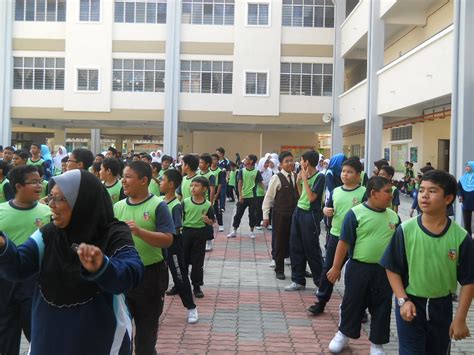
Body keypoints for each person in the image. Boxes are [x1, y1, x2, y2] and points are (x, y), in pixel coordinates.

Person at [0, 169, 144, 355]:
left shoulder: (112, 233)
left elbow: (132, 273)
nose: (51, 205)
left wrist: (103, 267)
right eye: (50, 197)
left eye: (60, 199)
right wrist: (3, 245)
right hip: (48, 337)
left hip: (99, 339)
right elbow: (18, 267)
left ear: (82, 202)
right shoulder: (49, 234)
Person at [381, 170, 474, 355]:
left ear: (448, 199)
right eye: (421, 189)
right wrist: (403, 300)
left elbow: (469, 281)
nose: (424, 195)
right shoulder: (405, 230)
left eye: (432, 191)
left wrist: (461, 318)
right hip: (411, 304)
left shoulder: (461, 237)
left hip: (442, 306)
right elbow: (392, 269)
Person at [327, 176, 400, 354]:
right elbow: (343, 243)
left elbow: (399, 247)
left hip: (384, 271)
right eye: (387, 192)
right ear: (373, 193)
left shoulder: (394, 217)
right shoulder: (355, 214)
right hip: (358, 268)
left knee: (382, 307)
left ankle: (377, 343)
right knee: (352, 303)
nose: (391, 195)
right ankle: (343, 334)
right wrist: (336, 267)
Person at [113, 161, 174, 355]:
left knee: (146, 335)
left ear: (144, 180)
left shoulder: (158, 205)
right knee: (121, 331)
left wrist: (138, 231)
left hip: (150, 276)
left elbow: (167, 240)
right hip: (123, 275)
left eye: (128, 176)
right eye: (123, 176)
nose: (123, 180)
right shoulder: (118, 207)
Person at [0, 165, 52, 355]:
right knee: (5, 334)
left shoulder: (48, 213)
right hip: (4, 281)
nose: (39, 186)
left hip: (35, 281)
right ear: (18, 186)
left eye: (40, 181)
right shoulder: (1, 211)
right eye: (34, 182)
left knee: (37, 333)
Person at [308, 157, 366, 315]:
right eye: (343, 171)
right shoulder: (336, 192)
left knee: (356, 275)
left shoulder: (364, 193)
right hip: (336, 236)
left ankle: (359, 310)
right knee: (329, 270)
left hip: (358, 240)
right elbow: (328, 208)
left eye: (349, 172)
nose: (345, 175)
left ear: (358, 175)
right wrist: (326, 211)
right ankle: (321, 301)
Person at [160, 169, 198, 324]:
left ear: (171, 185)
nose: (160, 183)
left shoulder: (176, 205)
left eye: (162, 180)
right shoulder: (159, 201)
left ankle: (191, 308)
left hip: (173, 245)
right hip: (158, 245)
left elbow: (176, 228)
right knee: (159, 279)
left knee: (180, 277)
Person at [285, 150, 325, 291]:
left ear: (307, 162)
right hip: (299, 211)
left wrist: (305, 180)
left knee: (311, 248)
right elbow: (302, 196)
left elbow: (312, 198)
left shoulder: (320, 177)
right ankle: (298, 280)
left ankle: (320, 283)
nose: (300, 163)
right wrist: (298, 183)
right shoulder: (304, 176)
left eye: (301, 160)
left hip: (311, 215)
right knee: (295, 246)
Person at [262, 151, 298, 280]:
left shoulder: (296, 176)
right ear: (281, 164)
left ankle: (298, 269)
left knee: (295, 243)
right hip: (280, 215)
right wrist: (265, 216)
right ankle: (279, 269)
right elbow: (268, 198)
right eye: (287, 161)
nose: (290, 163)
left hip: (294, 215)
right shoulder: (276, 178)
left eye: (291, 160)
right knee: (280, 243)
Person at [181, 176, 215, 298]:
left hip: (200, 234)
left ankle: (196, 286)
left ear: (204, 189)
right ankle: (180, 285)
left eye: (196, 185)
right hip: (186, 233)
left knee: (197, 262)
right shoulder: (185, 202)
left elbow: (212, 221)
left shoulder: (207, 205)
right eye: (192, 185)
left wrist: (208, 220)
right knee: (182, 261)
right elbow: (181, 218)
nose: (193, 188)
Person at [227, 154, 263, 239]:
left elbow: (260, 183)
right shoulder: (241, 171)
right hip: (243, 196)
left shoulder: (256, 172)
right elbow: (240, 183)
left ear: (251, 161)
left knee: (252, 215)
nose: (244, 160)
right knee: (238, 214)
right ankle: (234, 231)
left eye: (246, 159)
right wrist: (240, 196)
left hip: (253, 197)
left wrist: (267, 192)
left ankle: (251, 231)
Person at [256, 157, 273, 229]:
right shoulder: (257, 171)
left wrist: (268, 190)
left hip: (268, 191)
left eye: (267, 163)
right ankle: (257, 223)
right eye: (265, 163)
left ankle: (268, 223)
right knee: (259, 208)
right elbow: (259, 182)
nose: (266, 164)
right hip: (259, 192)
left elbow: (271, 180)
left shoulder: (270, 171)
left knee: (269, 207)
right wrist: (264, 190)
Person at [458, 161, 474, 236]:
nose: (467, 168)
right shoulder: (462, 178)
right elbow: (458, 188)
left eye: (469, 166)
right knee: (467, 224)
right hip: (466, 203)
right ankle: (469, 240)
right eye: (466, 166)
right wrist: (460, 195)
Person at [210, 153, 225, 233]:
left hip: (216, 190)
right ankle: (211, 222)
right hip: (208, 189)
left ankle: (221, 224)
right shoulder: (208, 169)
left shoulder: (220, 171)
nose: (213, 161)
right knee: (209, 207)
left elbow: (220, 183)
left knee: (217, 209)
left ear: (218, 161)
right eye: (212, 159)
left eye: (215, 159)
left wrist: (216, 194)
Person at [216, 147, 231, 212]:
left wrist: (227, 177)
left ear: (222, 154)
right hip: (216, 179)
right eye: (216, 153)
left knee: (222, 193)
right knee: (215, 193)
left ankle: (222, 207)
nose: (217, 154)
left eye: (218, 153)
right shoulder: (215, 160)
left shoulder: (226, 161)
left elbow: (228, 170)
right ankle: (215, 205)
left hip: (223, 180)